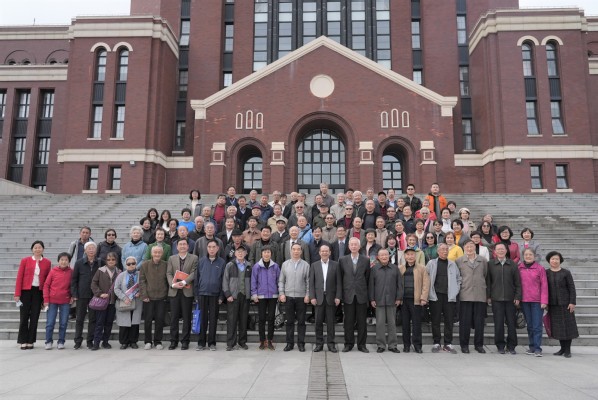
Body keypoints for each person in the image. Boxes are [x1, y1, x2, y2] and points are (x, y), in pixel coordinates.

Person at [14, 240, 52, 349]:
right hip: (25, 291)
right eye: (35, 247)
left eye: (39, 247)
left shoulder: (47, 262)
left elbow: (47, 280)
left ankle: (31, 341)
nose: (37, 249)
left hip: (38, 292)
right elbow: (19, 277)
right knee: (24, 317)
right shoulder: (25, 260)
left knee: (35, 317)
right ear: (32, 249)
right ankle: (23, 340)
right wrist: (17, 293)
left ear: (43, 249)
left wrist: (45, 297)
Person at [426, 243, 461, 354]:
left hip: (449, 296)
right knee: (435, 320)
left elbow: (458, 279)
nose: (445, 251)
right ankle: (436, 342)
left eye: (446, 249)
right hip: (435, 296)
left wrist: (455, 291)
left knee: (449, 321)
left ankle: (448, 343)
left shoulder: (452, 264)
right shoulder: (431, 263)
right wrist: (429, 293)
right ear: (438, 251)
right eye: (442, 249)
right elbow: (426, 278)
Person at [487, 242, 521, 354]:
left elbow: (518, 282)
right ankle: (500, 345)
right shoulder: (490, 264)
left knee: (511, 323)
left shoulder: (513, 264)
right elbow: (488, 282)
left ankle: (511, 346)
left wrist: (517, 296)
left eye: (503, 249)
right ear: (495, 251)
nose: (500, 251)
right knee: (498, 323)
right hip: (496, 299)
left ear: (506, 251)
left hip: (511, 299)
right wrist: (488, 296)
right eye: (498, 249)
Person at [338, 237, 371, 353]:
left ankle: (362, 345)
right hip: (348, 295)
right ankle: (348, 344)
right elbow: (340, 278)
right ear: (348, 246)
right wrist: (340, 295)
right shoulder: (342, 260)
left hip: (361, 294)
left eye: (355, 244)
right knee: (348, 321)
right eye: (351, 244)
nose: (353, 246)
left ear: (359, 246)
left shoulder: (366, 260)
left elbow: (367, 278)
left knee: (362, 322)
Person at [456, 240, 489, 354]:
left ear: (475, 247)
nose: (469, 249)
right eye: (467, 247)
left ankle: (479, 345)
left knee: (479, 322)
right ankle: (464, 345)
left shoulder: (482, 260)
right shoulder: (459, 261)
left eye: (471, 246)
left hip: (480, 294)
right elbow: (458, 276)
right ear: (464, 248)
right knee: (464, 322)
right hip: (465, 294)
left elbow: (485, 274)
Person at [369, 249, 403, 353]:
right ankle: (381, 345)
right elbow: (371, 285)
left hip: (392, 300)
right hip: (379, 300)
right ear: (378, 257)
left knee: (392, 324)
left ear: (389, 256)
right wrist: (372, 299)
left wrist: (399, 298)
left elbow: (399, 284)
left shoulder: (395, 268)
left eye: (386, 255)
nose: (384, 257)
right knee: (380, 324)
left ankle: (393, 345)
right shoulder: (374, 269)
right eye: (382, 255)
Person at [545, 251, 578, 358]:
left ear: (560, 260)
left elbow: (572, 288)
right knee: (558, 327)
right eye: (552, 259)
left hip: (566, 304)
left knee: (567, 326)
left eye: (557, 259)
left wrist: (572, 302)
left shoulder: (566, 273)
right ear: (549, 260)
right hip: (553, 305)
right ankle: (562, 348)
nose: (554, 261)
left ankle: (568, 350)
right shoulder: (546, 273)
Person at [167, 238, 198, 350]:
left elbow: (194, 272)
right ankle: (173, 341)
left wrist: (185, 282)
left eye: (184, 244)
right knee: (174, 318)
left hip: (187, 291)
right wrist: (173, 284)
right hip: (174, 291)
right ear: (177, 247)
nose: (182, 246)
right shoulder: (171, 258)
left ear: (188, 246)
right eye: (180, 244)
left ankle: (185, 341)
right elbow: (169, 273)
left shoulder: (194, 258)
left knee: (186, 317)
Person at [279, 243, 311, 352]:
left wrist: (307, 295)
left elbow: (308, 282)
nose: (296, 251)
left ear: (301, 251)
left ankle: (301, 343)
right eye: (294, 249)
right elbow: (281, 280)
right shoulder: (285, 264)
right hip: (288, 297)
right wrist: (282, 293)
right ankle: (289, 343)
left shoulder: (306, 265)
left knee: (301, 322)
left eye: (298, 249)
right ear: (291, 251)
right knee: (289, 322)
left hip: (301, 297)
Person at [195, 240, 226, 351]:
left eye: (214, 247)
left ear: (217, 248)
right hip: (202, 294)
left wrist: (221, 296)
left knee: (213, 320)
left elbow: (224, 280)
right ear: (207, 248)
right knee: (202, 319)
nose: (211, 249)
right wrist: (196, 295)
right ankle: (201, 343)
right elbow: (197, 278)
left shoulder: (222, 262)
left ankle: (212, 343)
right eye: (209, 247)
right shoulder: (201, 261)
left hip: (215, 295)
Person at [309, 244, 341, 352]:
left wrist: (338, 296)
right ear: (319, 253)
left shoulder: (336, 265)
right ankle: (319, 344)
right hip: (318, 299)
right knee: (318, 323)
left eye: (326, 251)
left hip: (331, 298)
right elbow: (311, 283)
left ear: (330, 252)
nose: (324, 253)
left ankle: (331, 344)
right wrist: (312, 297)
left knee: (331, 323)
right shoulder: (314, 265)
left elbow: (339, 282)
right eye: (322, 251)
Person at [71, 241, 101, 349]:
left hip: (95, 295)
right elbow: (74, 280)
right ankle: (78, 341)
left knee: (93, 319)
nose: (91, 250)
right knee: (79, 319)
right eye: (89, 248)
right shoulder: (79, 263)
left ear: (96, 250)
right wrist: (74, 293)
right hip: (81, 294)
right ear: (85, 250)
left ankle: (90, 341)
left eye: (93, 248)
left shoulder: (100, 262)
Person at [518, 247, 548, 357]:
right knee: (530, 325)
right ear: (523, 256)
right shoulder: (519, 268)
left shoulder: (540, 268)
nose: (528, 256)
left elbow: (544, 285)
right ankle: (532, 347)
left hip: (537, 301)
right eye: (526, 255)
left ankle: (537, 348)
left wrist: (544, 301)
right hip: (524, 301)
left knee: (537, 325)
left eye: (530, 254)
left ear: (534, 256)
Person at [399, 247, 429, 353]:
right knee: (405, 324)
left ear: (415, 256)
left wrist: (423, 298)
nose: (410, 256)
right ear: (405, 256)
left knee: (417, 324)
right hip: (403, 300)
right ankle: (406, 345)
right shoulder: (400, 268)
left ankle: (417, 345)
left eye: (412, 254)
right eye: (408, 255)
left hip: (416, 300)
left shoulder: (422, 268)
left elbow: (426, 284)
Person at [251, 246, 281, 350]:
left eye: (268, 252)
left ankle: (270, 340)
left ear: (271, 254)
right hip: (261, 296)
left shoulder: (275, 266)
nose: (266, 254)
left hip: (273, 295)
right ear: (261, 254)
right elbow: (253, 281)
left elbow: (279, 280)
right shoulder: (256, 267)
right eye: (264, 252)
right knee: (262, 318)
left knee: (271, 318)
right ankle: (262, 340)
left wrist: (280, 293)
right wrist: (254, 294)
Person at [139, 246, 169, 350]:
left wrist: (166, 294)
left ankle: (158, 341)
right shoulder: (145, 265)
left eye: (159, 252)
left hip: (161, 297)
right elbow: (142, 281)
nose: (157, 254)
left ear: (162, 254)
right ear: (152, 253)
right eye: (155, 252)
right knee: (147, 321)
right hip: (148, 298)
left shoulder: (166, 265)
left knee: (159, 320)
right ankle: (148, 341)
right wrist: (144, 295)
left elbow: (168, 280)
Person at [223, 246, 252, 351]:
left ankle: (242, 342)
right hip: (233, 296)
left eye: (242, 251)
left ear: (246, 253)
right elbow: (225, 280)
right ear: (235, 253)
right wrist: (228, 294)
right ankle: (231, 343)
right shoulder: (230, 265)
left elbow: (252, 281)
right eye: (238, 251)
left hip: (245, 296)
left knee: (243, 320)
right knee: (232, 320)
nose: (240, 253)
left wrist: (251, 294)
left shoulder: (249, 266)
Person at [90, 251, 121, 350]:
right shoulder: (100, 270)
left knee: (109, 323)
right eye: (108, 259)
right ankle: (96, 343)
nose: (111, 261)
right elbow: (94, 283)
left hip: (112, 302)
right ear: (106, 261)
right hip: (102, 301)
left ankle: (105, 342)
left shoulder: (119, 272)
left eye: (113, 259)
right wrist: (99, 293)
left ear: (116, 261)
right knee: (99, 323)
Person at [43, 252, 73, 350]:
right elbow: (46, 285)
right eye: (62, 260)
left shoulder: (71, 272)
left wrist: (72, 296)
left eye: (66, 260)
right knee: (50, 323)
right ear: (58, 261)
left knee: (63, 323)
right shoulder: (53, 271)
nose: (64, 262)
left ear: (69, 262)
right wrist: (46, 299)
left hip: (65, 301)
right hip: (52, 301)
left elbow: (73, 285)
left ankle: (61, 341)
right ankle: (48, 341)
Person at [114, 255, 142, 350]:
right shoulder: (121, 275)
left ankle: (133, 341)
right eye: (129, 264)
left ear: (136, 264)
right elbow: (116, 288)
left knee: (135, 322)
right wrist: (123, 297)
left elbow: (144, 285)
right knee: (124, 322)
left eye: (133, 263)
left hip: (137, 301)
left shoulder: (140, 274)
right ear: (126, 265)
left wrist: (140, 293)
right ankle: (124, 342)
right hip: (125, 301)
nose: (131, 265)